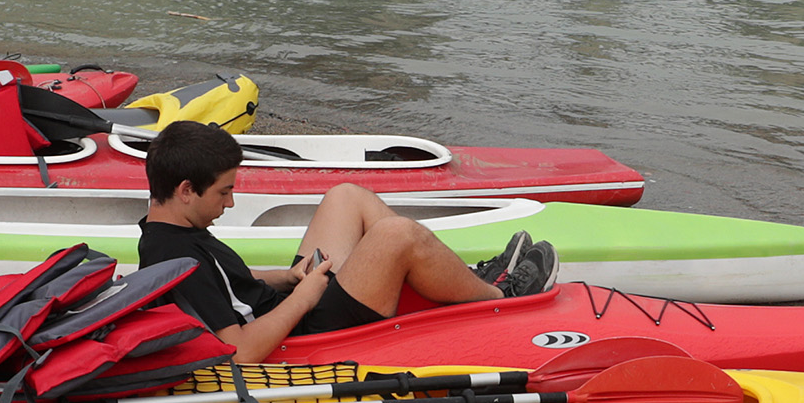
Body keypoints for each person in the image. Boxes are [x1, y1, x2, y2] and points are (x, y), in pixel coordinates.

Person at [137, 120, 553, 361]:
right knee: (397, 234)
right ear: (187, 189)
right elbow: (238, 351)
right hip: (306, 335)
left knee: (346, 197)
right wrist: (305, 296)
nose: (231, 202)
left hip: (293, 307)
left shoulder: (171, 235)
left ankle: (464, 277)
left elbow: (224, 282)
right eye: (224, 192)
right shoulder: (174, 255)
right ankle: (499, 293)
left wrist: (287, 277)